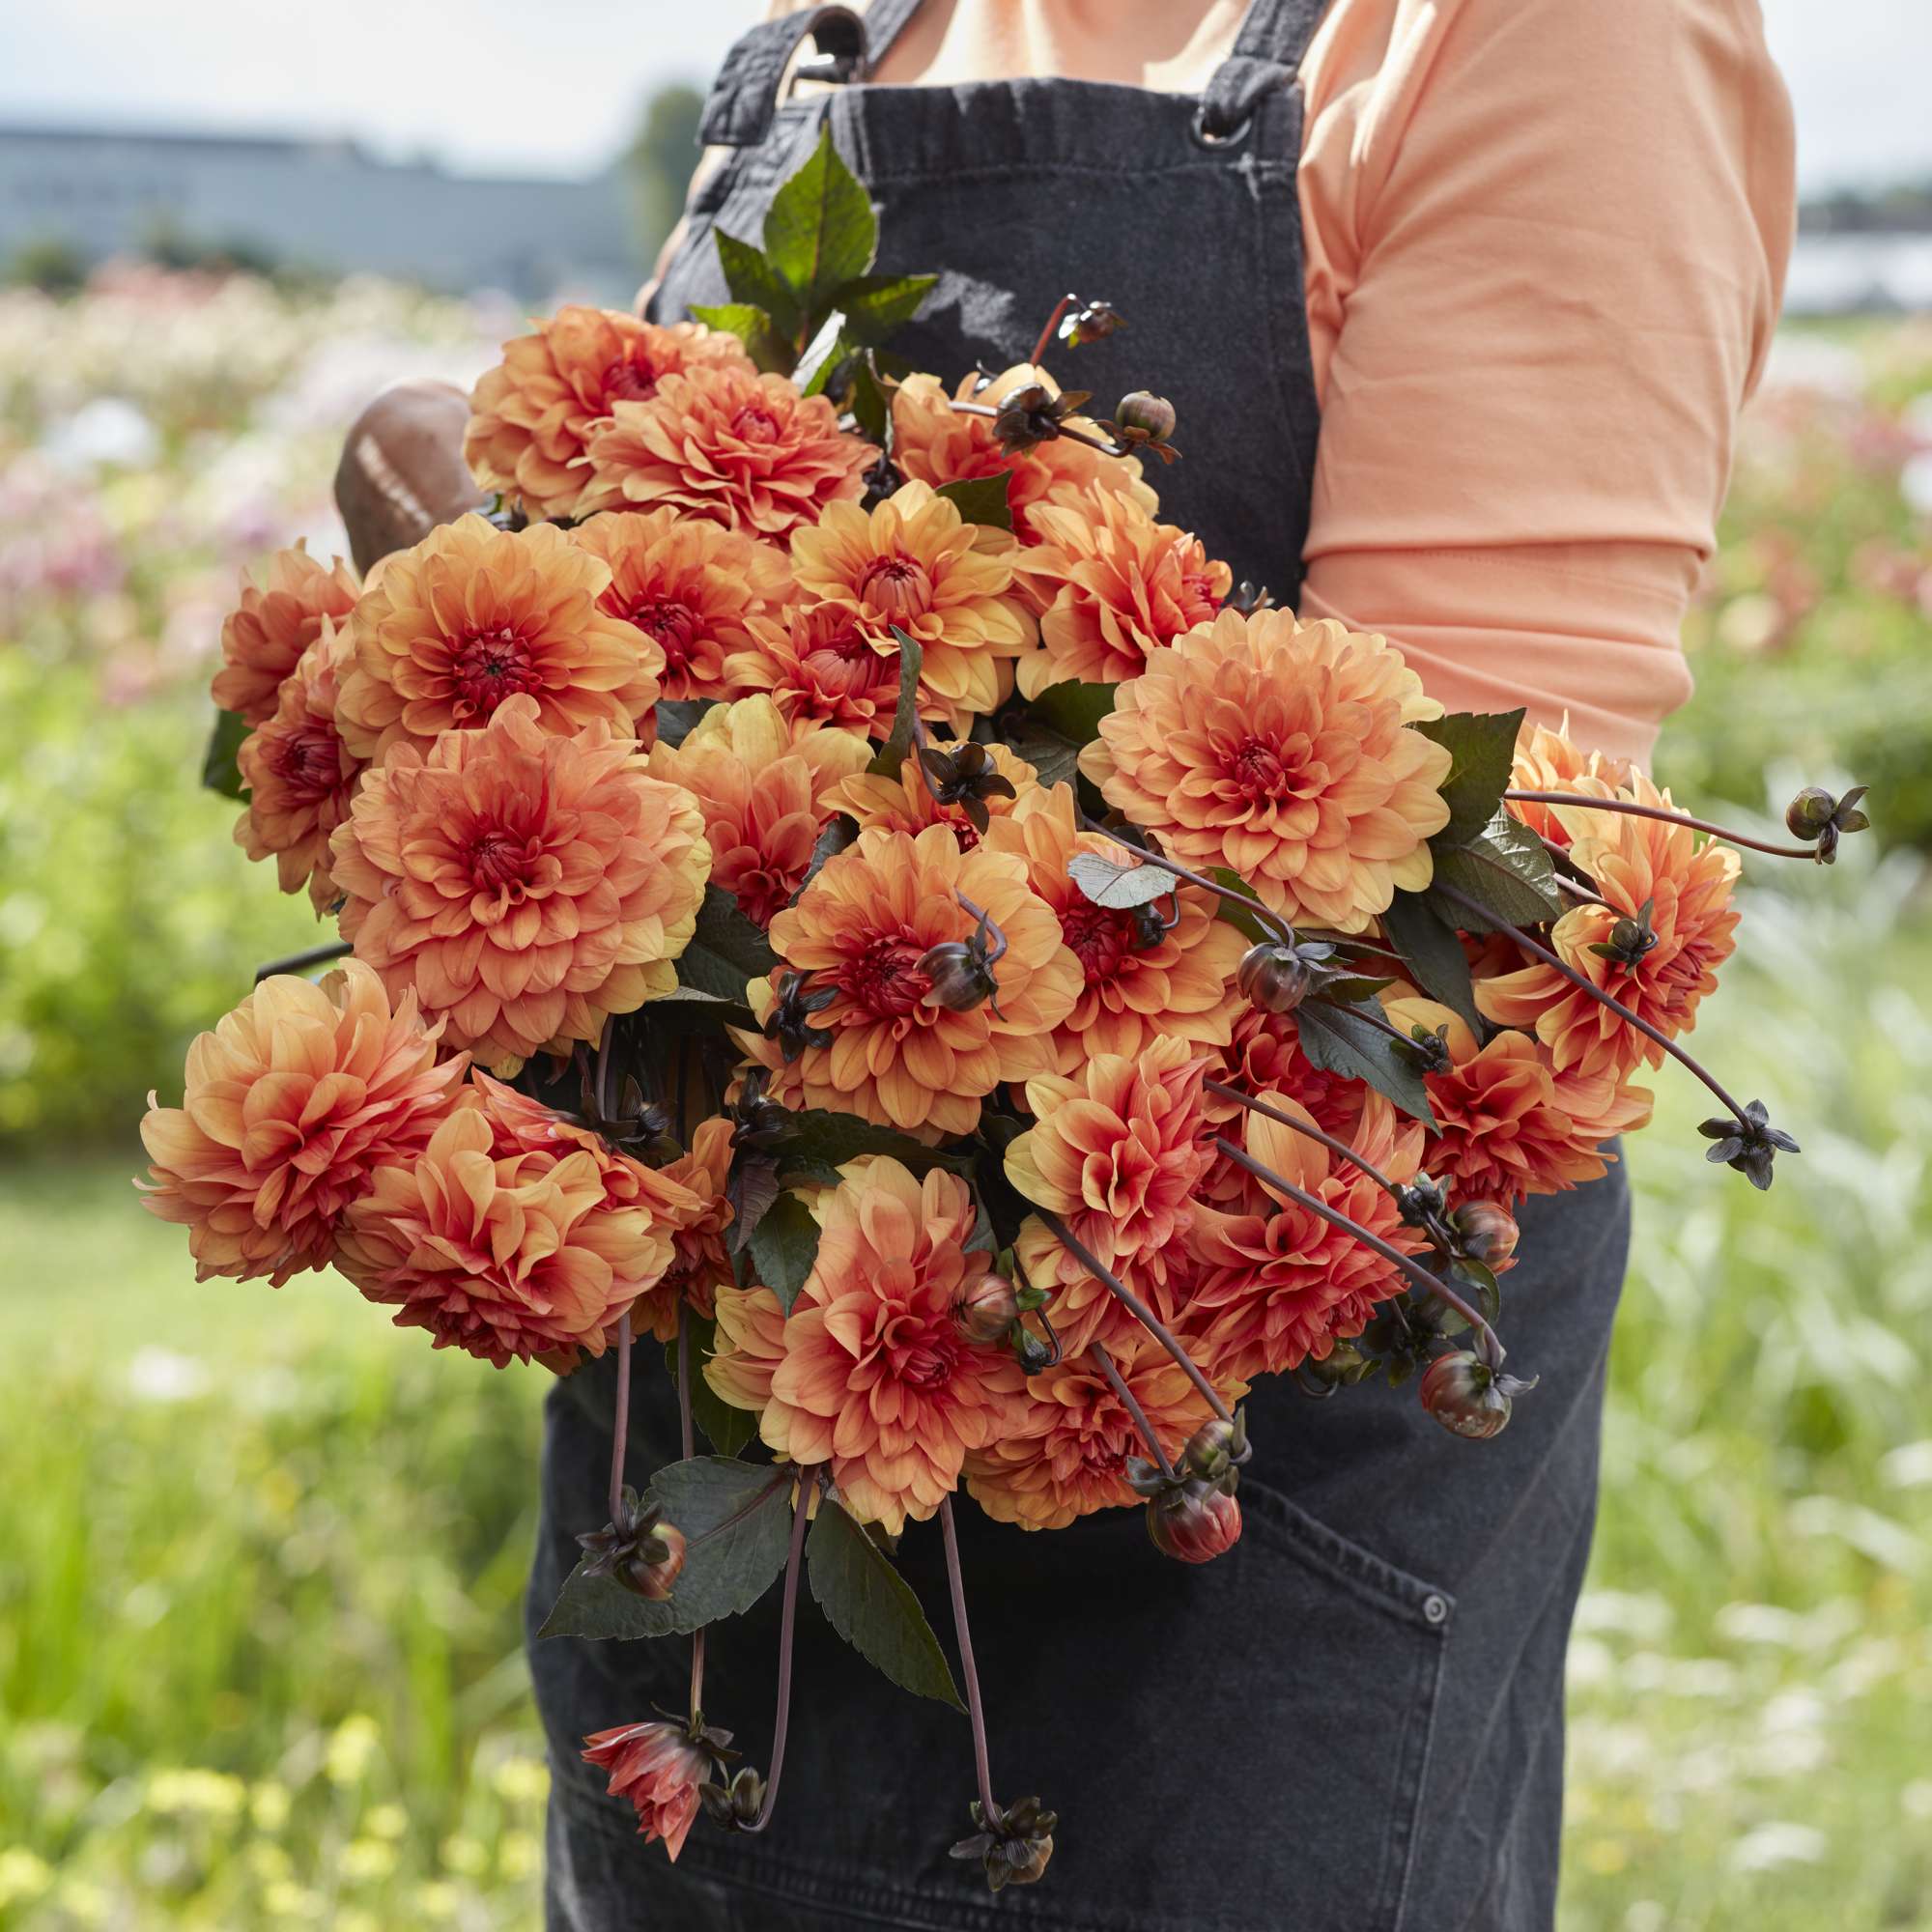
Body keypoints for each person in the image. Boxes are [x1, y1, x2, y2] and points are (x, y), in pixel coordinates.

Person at [337, 2, 1794, 1924]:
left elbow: (1444, 911)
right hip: (722, 1505)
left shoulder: (1543, 33)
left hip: (1228, 1537)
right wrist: (489, 639)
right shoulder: (850, 28)